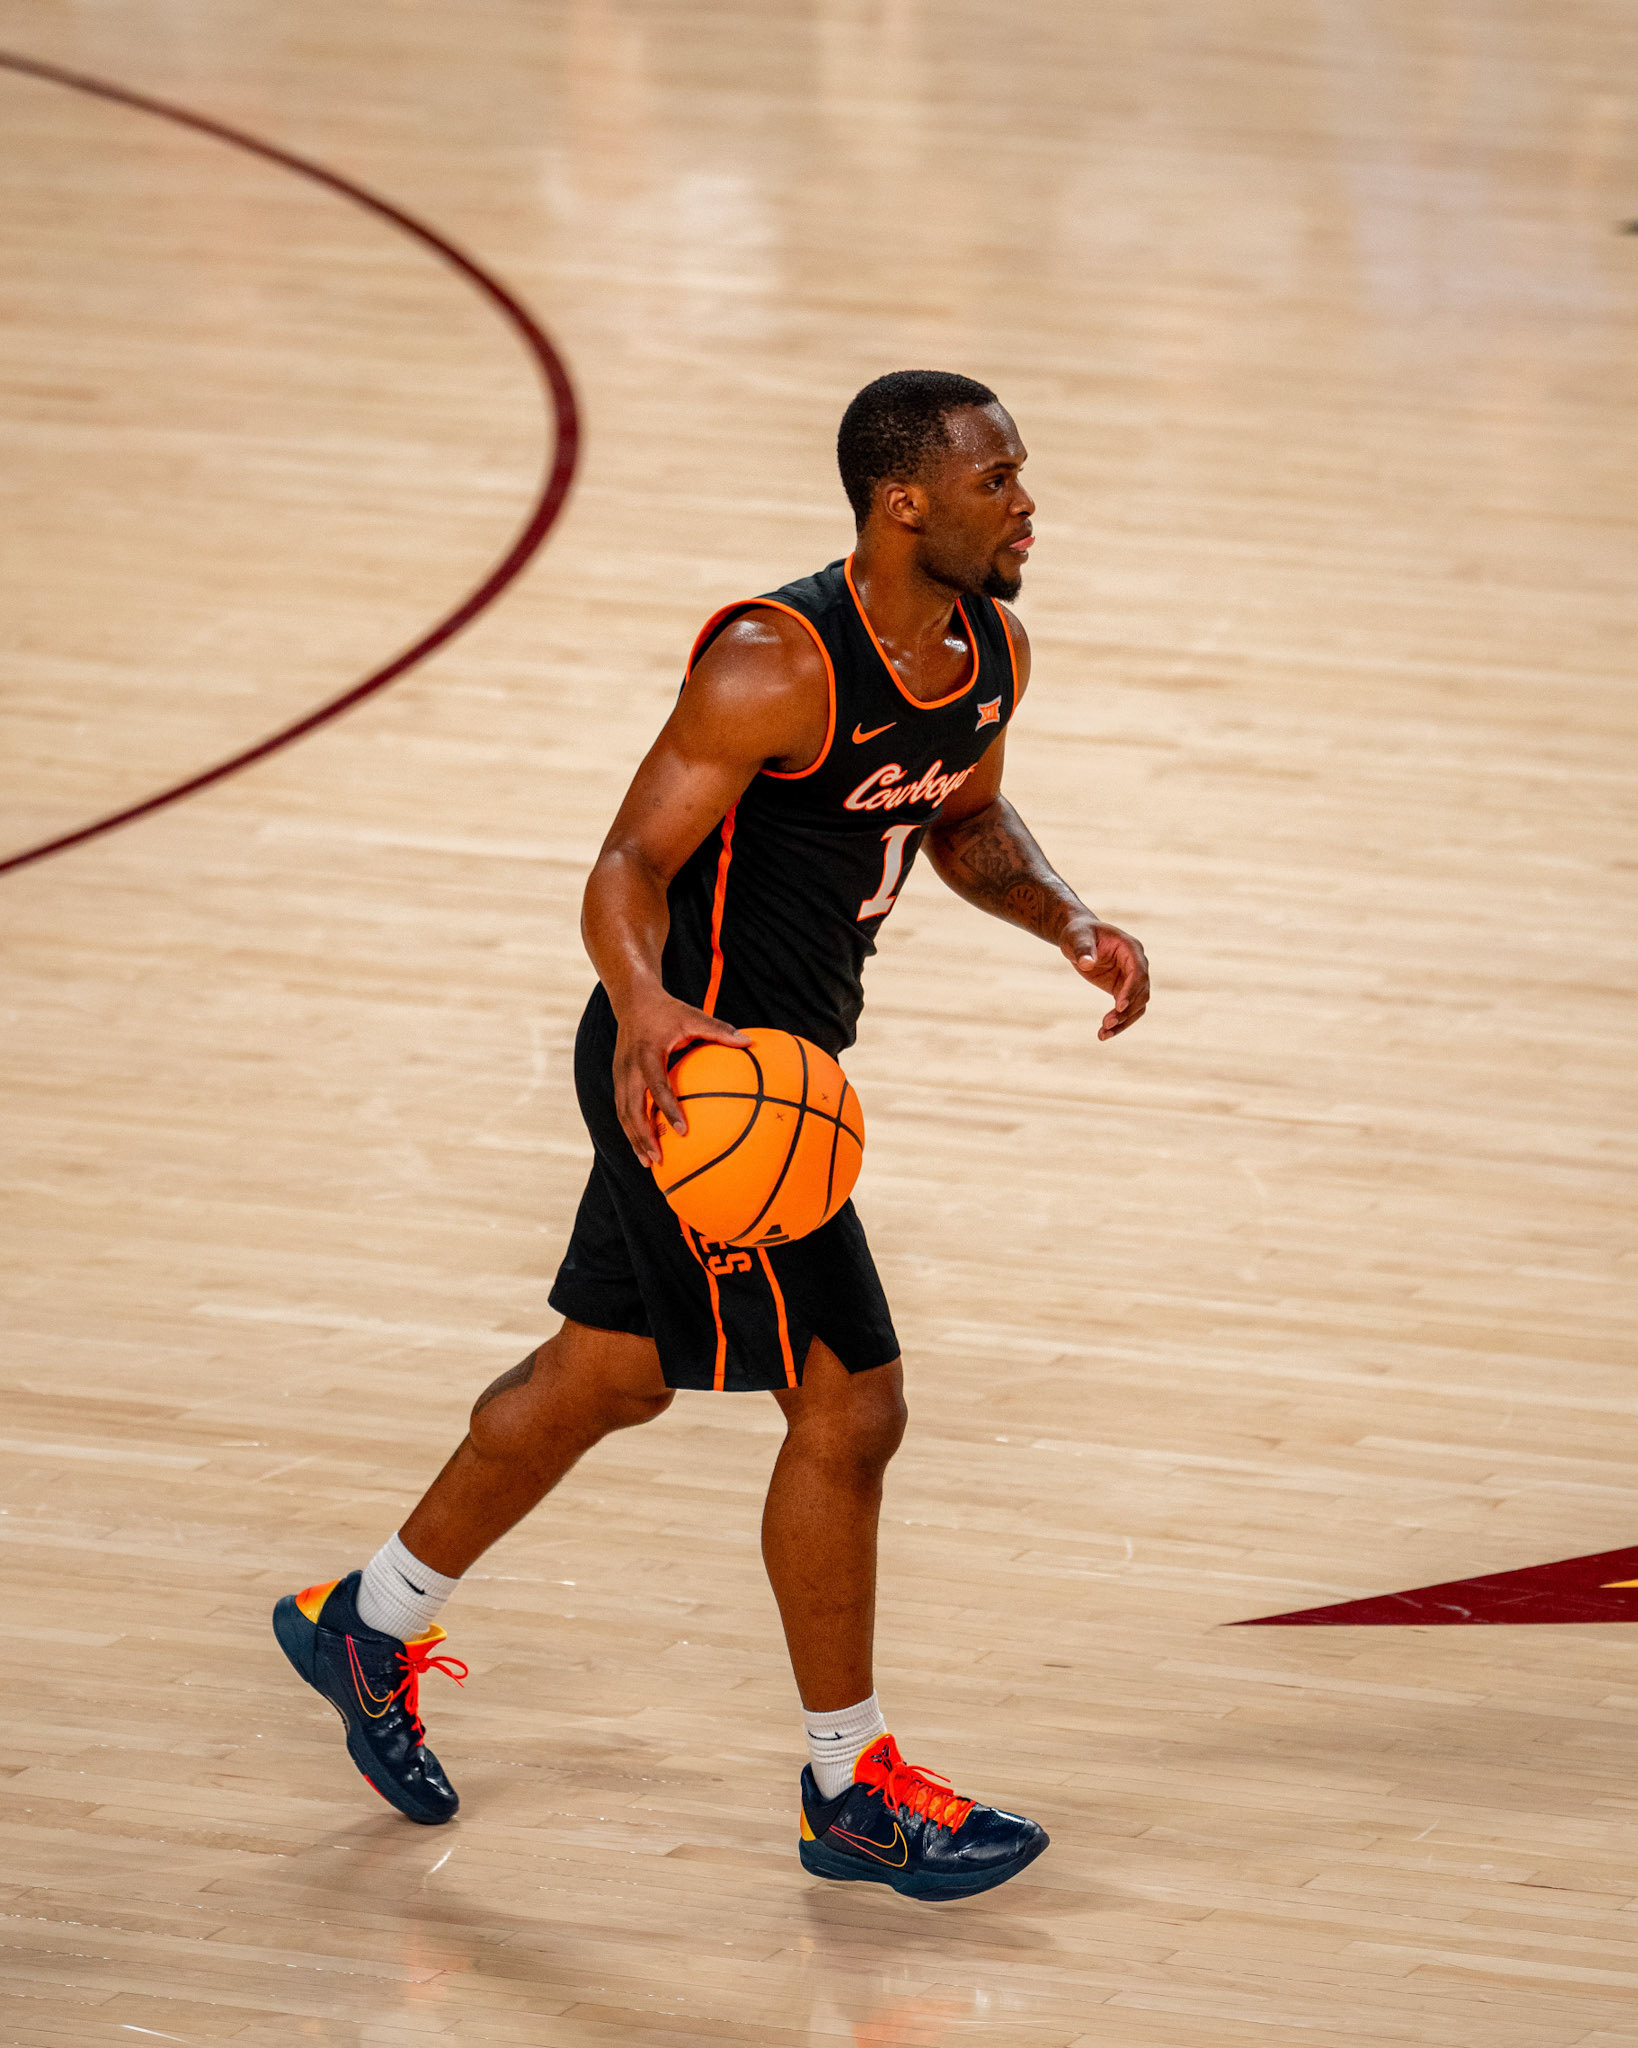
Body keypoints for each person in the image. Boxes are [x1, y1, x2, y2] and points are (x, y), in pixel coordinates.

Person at [273, 369, 1150, 1901]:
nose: (1027, 502)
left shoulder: (987, 646)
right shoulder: (770, 662)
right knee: (851, 1409)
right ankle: (849, 1789)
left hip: (779, 1077)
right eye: (998, 477)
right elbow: (627, 860)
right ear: (903, 501)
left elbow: (962, 820)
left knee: (607, 1376)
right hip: (699, 1085)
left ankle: (371, 1617)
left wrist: (1063, 918)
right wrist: (647, 1011)